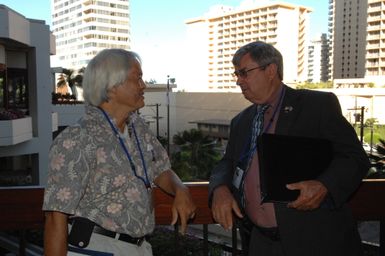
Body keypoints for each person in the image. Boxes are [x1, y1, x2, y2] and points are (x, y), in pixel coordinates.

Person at [209, 41, 370, 256]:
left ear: (271, 70)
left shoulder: (316, 105)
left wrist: (324, 185)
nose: (239, 81)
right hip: (260, 241)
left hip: (314, 240)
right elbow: (227, 163)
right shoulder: (241, 121)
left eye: (244, 73)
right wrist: (219, 188)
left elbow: (354, 157)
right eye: (236, 74)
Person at [43, 49, 196, 256]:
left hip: (139, 247)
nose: (144, 85)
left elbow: (160, 168)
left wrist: (181, 189)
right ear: (112, 87)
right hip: (96, 247)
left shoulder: (137, 127)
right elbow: (55, 217)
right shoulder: (77, 138)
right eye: (138, 78)